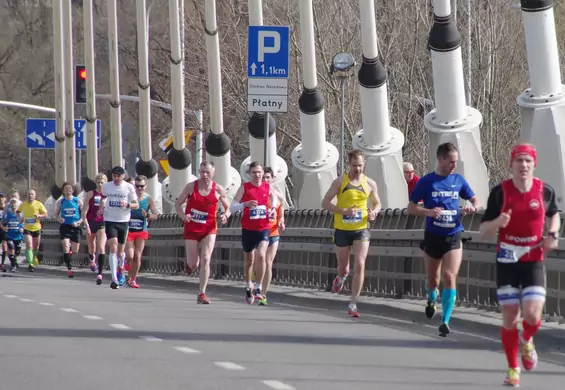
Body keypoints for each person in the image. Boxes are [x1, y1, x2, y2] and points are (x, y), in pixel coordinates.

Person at [479, 143, 560, 387]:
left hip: (534, 257)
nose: (523, 165)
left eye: (527, 161)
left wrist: (553, 233)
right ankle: (513, 368)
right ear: (511, 165)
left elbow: (553, 214)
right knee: (510, 315)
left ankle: (527, 338)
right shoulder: (500, 193)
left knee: (533, 314)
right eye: (519, 161)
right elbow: (483, 231)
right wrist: (498, 223)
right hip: (507, 259)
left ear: (534, 165)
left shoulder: (544, 190)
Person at [407, 142, 480, 336]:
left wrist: (473, 207)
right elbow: (411, 208)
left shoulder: (459, 180)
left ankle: (445, 321)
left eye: (456, 162)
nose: (454, 166)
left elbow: (475, 199)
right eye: (451, 162)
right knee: (433, 279)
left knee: (449, 276)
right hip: (433, 236)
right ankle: (431, 297)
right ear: (440, 159)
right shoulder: (426, 181)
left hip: (453, 234)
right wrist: (428, 212)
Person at [321, 149, 381, 317]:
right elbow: (325, 202)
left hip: (361, 228)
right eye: (354, 165)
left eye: (360, 165)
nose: (358, 169)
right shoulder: (340, 182)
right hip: (342, 229)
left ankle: (353, 303)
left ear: (364, 164)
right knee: (343, 267)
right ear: (349, 164)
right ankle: (341, 276)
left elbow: (377, 203)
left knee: (360, 263)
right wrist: (343, 211)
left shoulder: (370, 183)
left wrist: (374, 212)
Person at [176, 161, 230, 303]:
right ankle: (190, 265)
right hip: (192, 228)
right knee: (194, 264)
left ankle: (202, 293)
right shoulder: (191, 187)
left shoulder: (218, 189)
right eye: (202, 172)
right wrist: (183, 216)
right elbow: (178, 203)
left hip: (209, 228)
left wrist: (225, 215)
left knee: (206, 258)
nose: (205, 175)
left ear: (213, 173)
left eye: (208, 172)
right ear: (199, 172)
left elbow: (227, 207)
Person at [230, 161, 276, 305]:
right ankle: (248, 284)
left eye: (259, 172)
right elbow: (232, 207)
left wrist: (273, 209)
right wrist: (245, 204)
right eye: (254, 172)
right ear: (249, 174)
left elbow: (274, 197)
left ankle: (258, 287)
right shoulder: (244, 188)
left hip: (263, 228)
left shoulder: (267, 187)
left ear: (263, 173)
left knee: (262, 255)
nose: (257, 175)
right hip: (248, 229)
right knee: (249, 261)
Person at [99, 166, 139, 289]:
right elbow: (103, 197)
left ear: (123, 176)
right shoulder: (107, 186)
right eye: (114, 176)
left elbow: (136, 205)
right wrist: (102, 207)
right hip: (110, 219)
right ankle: (114, 278)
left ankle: (121, 269)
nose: (116, 178)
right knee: (113, 247)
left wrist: (127, 204)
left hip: (123, 220)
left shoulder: (129, 187)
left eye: (118, 176)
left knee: (121, 252)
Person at [257, 167, 286, 306]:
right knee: (259, 261)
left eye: (268, 177)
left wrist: (281, 222)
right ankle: (255, 280)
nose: (266, 180)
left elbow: (281, 216)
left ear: (273, 179)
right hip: (259, 231)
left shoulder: (279, 197)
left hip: (273, 232)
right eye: (264, 177)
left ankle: (263, 294)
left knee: (268, 263)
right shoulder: (257, 195)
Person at [125, 175, 159, 288]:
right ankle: (127, 270)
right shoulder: (130, 197)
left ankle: (132, 279)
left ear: (146, 186)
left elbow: (156, 215)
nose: (139, 189)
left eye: (142, 186)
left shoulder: (148, 199)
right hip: (129, 230)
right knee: (130, 256)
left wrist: (148, 215)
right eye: (137, 186)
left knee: (137, 256)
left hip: (141, 231)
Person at [82, 172, 108, 284]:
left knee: (101, 247)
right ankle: (92, 258)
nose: (100, 184)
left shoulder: (108, 195)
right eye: (98, 182)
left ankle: (100, 274)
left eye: (102, 182)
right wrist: (86, 224)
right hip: (91, 221)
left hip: (102, 222)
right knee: (91, 246)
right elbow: (84, 211)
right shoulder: (90, 194)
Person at [55, 182, 84, 278]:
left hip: (75, 227)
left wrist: (79, 222)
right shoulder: (61, 202)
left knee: (75, 250)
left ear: (73, 190)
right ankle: (69, 267)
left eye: (70, 188)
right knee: (65, 245)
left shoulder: (78, 201)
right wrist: (60, 219)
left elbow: (83, 215)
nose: (68, 190)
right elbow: (56, 215)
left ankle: (70, 253)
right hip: (65, 226)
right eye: (66, 189)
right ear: (63, 191)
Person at [17, 189, 48, 272]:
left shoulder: (38, 204)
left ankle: (34, 257)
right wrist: (20, 219)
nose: (30, 196)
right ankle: (30, 263)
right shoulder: (23, 204)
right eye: (29, 194)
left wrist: (39, 215)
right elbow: (18, 211)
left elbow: (46, 214)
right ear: (27, 195)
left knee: (36, 246)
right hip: (27, 228)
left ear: (35, 196)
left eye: (32, 194)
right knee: (29, 244)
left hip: (37, 228)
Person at [0, 198, 23, 273]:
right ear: (10, 204)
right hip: (9, 235)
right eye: (12, 203)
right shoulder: (7, 214)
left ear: (17, 204)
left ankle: (14, 261)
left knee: (18, 251)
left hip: (18, 235)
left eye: (15, 203)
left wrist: (22, 228)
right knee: (11, 250)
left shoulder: (20, 214)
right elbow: (1, 223)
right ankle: (13, 266)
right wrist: (4, 228)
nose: (13, 204)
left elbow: (24, 222)